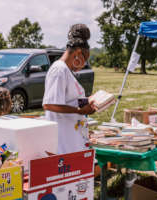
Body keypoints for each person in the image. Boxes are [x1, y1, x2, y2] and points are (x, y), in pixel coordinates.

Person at [43, 24, 96, 154]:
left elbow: (70, 100)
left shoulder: (66, 70)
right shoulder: (59, 70)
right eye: (85, 60)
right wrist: (79, 110)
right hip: (63, 143)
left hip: (72, 139)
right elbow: (49, 104)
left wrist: (88, 102)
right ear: (78, 53)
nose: (84, 65)